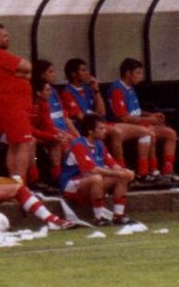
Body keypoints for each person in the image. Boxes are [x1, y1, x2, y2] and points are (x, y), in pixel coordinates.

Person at [103, 58, 176, 186]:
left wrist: (151, 115)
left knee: (170, 133)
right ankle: (145, 173)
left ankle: (167, 171)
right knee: (147, 132)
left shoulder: (130, 88)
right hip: (121, 126)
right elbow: (123, 118)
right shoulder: (117, 89)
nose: (141, 77)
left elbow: (136, 111)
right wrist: (149, 120)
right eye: (138, 73)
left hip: (137, 124)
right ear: (127, 73)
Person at [0, 23, 36, 184]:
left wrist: (21, 73)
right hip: (12, 106)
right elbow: (27, 66)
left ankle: (15, 182)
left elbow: (27, 73)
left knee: (15, 144)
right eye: (4, 36)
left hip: (15, 106)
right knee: (25, 143)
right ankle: (20, 183)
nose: (8, 38)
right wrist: (21, 73)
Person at [54, 113, 134, 225]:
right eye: (101, 128)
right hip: (71, 184)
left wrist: (125, 172)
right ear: (90, 131)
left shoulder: (100, 144)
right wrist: (118, 173)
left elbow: (112, 164)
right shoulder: (78, 144)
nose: (105, 131)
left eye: (104, 128)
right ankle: (99, 217)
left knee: (122, 176)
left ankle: (118, 216)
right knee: (96, 178)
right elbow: (91, 170)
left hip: (88, 182)